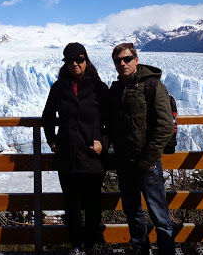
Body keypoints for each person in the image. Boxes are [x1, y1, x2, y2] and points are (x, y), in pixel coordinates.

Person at [42, 42, 109, 255]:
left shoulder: (99, 88)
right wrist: (52, 139)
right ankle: (76, 246)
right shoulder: (58, 88)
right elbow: (48, 116)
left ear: (86, 60)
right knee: (71, 205)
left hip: (92, 157)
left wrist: (103, 143)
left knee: (92, 205)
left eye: (79, 59)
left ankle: (89, 245)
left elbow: (112, 122)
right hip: (67, 156)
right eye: (70, 60)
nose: (74, 64)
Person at [109, 43, 175, 255]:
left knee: (159, 214)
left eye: (127, 59)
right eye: (118, 61)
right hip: (125, 162)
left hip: (148, 164)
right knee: (132, 212)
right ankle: (141, 250)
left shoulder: (153, 86)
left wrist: (148, 158)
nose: (122, 64)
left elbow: (165, 127)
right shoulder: (117, 88)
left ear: (136, 59)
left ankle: (166, 252)